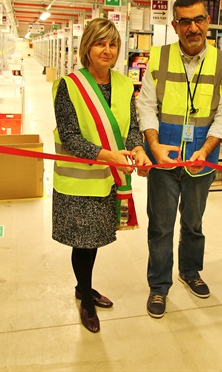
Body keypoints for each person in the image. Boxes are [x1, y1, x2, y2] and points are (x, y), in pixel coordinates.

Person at [137, 0, 222, 318]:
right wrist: (153, 146)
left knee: (193, 224)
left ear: (207, 22)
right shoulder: (158, 57)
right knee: (161, 226)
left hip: (202, 160)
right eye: (185, 21)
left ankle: (190, 272)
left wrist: (205, 150)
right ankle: (158, 286)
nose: (192, 28)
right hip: (163, 160)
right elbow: (146, 105)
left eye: (198, 20)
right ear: (175, 25)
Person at [52, 17, 151, 333]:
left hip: (109, 180)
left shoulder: (124, 85)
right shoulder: (69, 85)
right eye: (100, 43)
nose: (107, 50)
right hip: (79, 182)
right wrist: (109, 155)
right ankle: (86, 300)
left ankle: (85, 287)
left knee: (93, 241)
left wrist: (138, 150)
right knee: (82, 242)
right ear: (87, 48)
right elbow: (70, 136)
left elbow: (131, 128)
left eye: (112, 44)